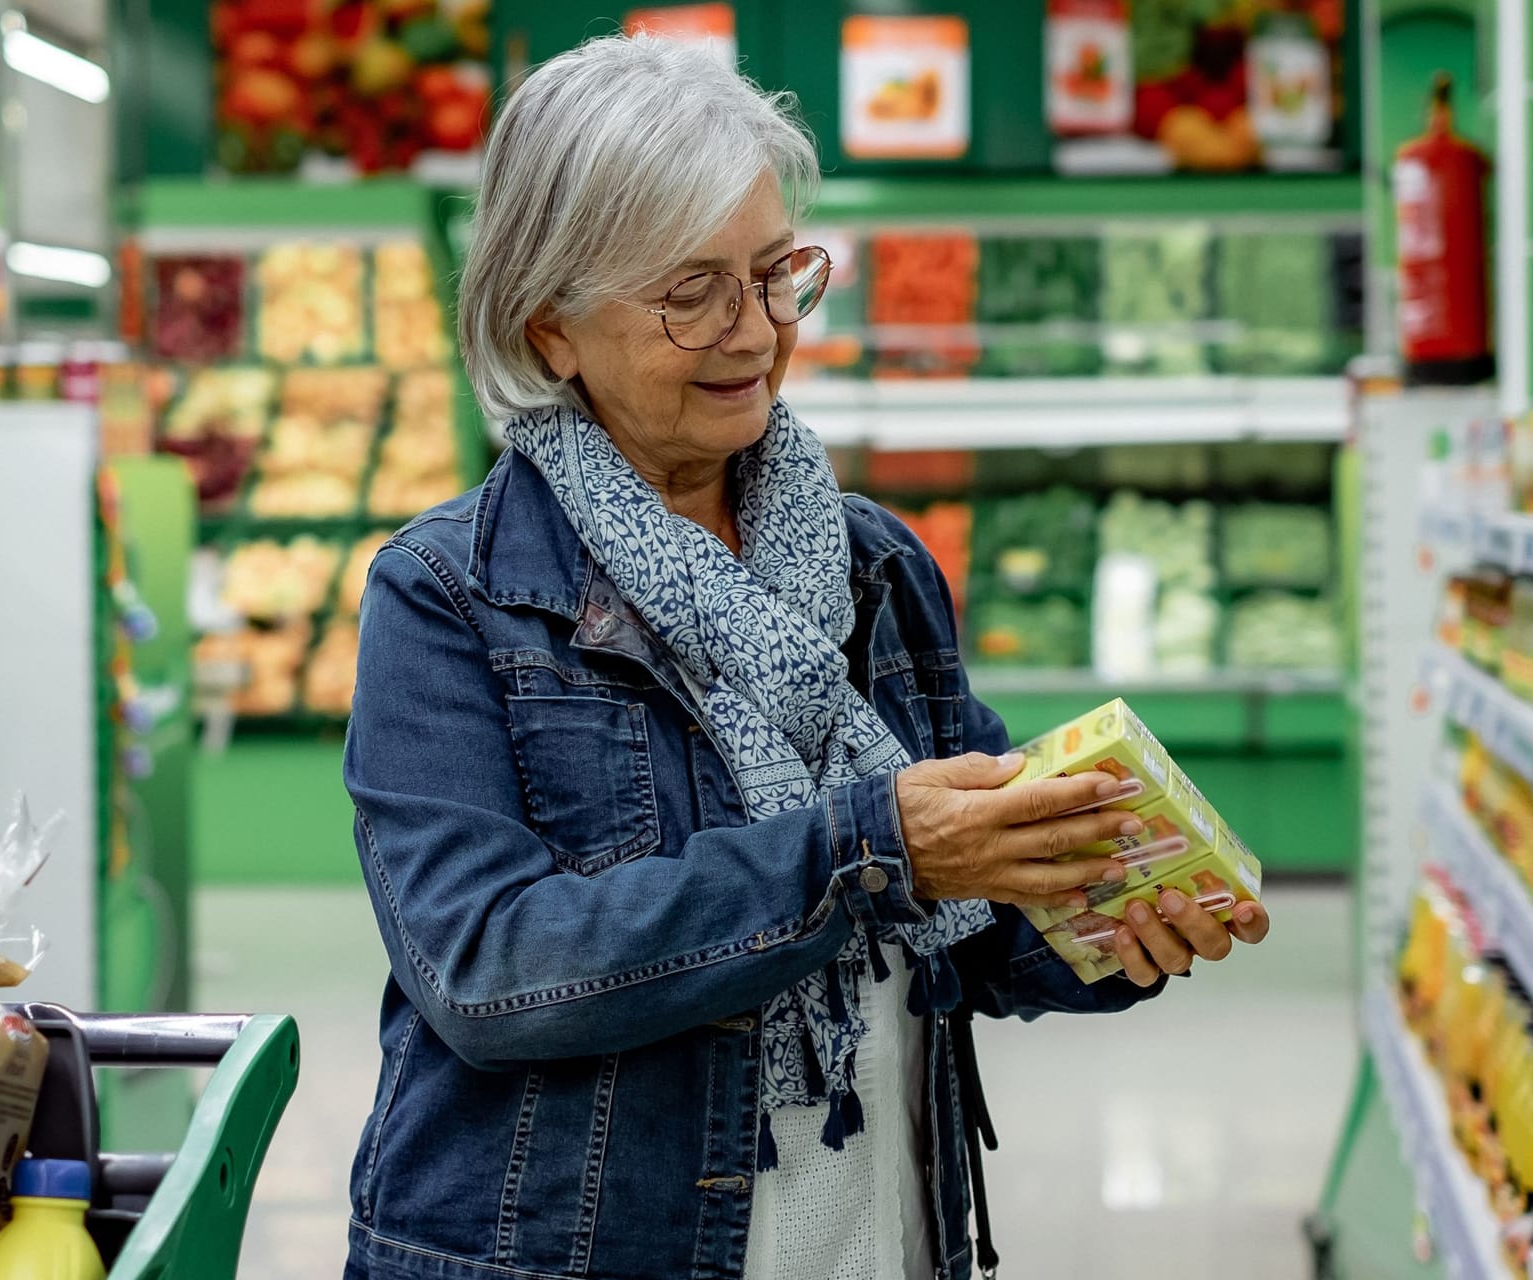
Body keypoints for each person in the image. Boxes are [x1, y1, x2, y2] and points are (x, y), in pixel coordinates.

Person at [341, 34, 1270, 1280]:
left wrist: (1106, 922)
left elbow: (971, 916)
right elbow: (492, 967)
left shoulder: (873, 563)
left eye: (775, 273)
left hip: (868, 1224)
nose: (756, 330)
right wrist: (867, 848)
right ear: (548, 324)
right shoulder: (451, 593)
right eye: (692, 292)